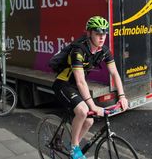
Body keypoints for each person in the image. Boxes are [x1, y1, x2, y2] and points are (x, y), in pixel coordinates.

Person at [52, 16, 128, 159]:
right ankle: (74, 148)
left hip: (77, 87)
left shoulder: (104, 51)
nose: (102, 37)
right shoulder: (78, 51)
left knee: (89, 120)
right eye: (98, 33)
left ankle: (71, 145)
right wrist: (93, 106)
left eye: (104, 33)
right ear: (89, 33)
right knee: (83, 111)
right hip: (64, 84)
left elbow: (115, 73)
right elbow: (80, 81)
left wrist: (122, 96)